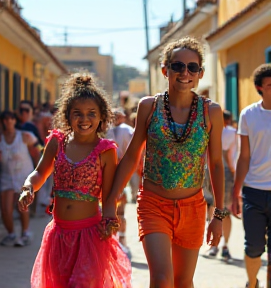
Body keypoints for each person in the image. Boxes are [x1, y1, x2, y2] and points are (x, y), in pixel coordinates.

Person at [104, 36, 226, 288]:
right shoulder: (149, 106)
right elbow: (132, 155)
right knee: (161, 280)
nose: (185, 72)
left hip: (193, 208)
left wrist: (219, 215)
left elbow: (215, 164)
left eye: (192, 67)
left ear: (200, 73)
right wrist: (111, 201)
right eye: (177, 66)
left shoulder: (211, 111)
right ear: (165, 69)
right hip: (153, 204)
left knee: (183, 281)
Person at [18, 72, 131, 288]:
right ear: (67, 115)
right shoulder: (57, 142)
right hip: (58, 236)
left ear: (102, 117)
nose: (84, 119)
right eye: (77, 113)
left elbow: (109, 196)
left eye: (91, 113)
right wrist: (28, 187)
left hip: (90, 238)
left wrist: (110, 219)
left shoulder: (105, 151)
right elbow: (40, 172)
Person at [232, 64, 271, 288]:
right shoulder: (249, 114)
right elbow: (243, 156)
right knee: (254, 247)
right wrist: (235, 191)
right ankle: (252, 282)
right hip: (254, 192)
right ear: (260, 88)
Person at [0, 110, 41, 247]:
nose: (8, 122)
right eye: (5, 120)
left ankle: (25, 233)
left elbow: (36, 153)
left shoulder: (25, 136)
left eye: (10, 119)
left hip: (24, 175)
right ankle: (11, 234)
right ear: (1, 122)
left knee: (22, 207)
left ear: (14, 121)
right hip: (7, 176)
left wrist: (39, 173)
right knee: (5, 209)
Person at [208, 110, 238, 262]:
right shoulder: (233, 133)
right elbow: (232, 157)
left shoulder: (210, 129)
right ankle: (225, 245)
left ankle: (214, 244)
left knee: (213, 207)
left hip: (210, 170)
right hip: (227, 172)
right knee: (225, 211)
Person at [105, 107, 134, 257]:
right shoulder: (126, 130)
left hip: (113, 173)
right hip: (118, 173)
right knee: (117, 208)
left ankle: (119, 240)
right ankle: (118, 240)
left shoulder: (121, 130)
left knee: (118, 208)